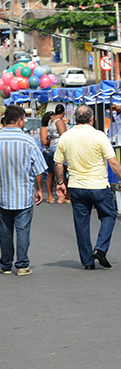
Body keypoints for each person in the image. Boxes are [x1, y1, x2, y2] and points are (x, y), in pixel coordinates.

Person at [54, 105, 121, 270]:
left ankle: (87, 262)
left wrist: (60, 183)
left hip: (76, 185)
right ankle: (100, 248)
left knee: (81, 223)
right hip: (98, 184)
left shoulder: (66, 137)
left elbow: (58, 164)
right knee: (108, 215)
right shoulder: (98, 135)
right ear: (91, 118)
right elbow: (113, 161)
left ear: (74, 118)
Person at [0, 105, 47, 276]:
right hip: (23, 194)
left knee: (4, 231)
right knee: (22, 230)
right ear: (20, 121)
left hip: (2, 195)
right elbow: (39, 169)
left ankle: (5, 265)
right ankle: (21, 265)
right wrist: (39, 189)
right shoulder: (28, 141)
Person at [48, 104, 69, 203]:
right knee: (63, 171)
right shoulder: (59, 121)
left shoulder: (51, 121)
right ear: (63, 112)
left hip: (52, 146)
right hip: (59, 147)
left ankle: (62, 196)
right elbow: (64, 135)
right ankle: (63, 196)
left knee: (57, 172)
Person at [36, 111, 56, 203]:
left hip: (53, 151)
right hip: (48, 152)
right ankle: (50, 195)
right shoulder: (44, 128)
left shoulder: (54, 126)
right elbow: (44, 141)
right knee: (51, 173)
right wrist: (53, 139)